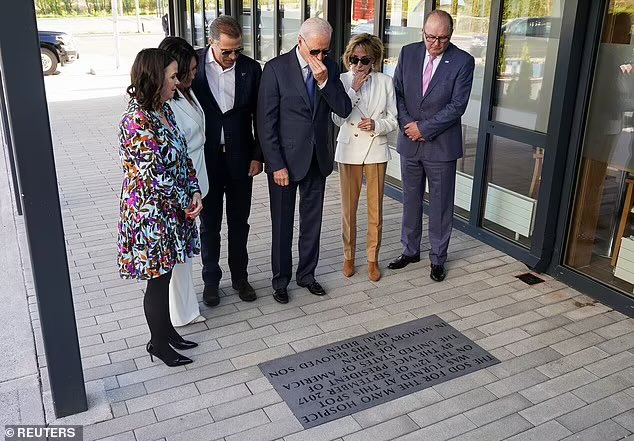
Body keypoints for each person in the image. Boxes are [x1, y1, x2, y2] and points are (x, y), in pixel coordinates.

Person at [117, 48, 203, 367]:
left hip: (172, 208)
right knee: (157, 278)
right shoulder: (137, 119)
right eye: (171, 77)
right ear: (154, 79)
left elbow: (182, 157)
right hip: (150, 214)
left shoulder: (162, 110)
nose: (177, 82)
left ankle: (167, 332)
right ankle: (158, 344)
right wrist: (186, 202)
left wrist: (194, 192)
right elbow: (156, 176)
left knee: (165, 275)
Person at [258, 18, 352, 304]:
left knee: (312, 222)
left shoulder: (330, 68)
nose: (321, 57)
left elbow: (344, 109)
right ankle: (280, 280)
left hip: (316, 159)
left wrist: (325, 81)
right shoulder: (275, 69)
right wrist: (276, 164)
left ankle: (307, 275)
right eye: (315, 52)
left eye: (325, 51)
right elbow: (265, 122)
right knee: (282, 224)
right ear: (300, 42)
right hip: (285, 161)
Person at [389, 10, 474, 282]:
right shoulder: (408, 52)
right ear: (422, 32)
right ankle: (410, 250)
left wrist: (424, 129)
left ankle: (438, 258)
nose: (435, 43)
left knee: (440, 205)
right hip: (409, 142)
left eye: (442, 38)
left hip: (441, 147)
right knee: (410, 201)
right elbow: (397, 92)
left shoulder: (463, 61)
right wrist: (408, 126)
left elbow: (457, 106)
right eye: (430, 37)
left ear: (451, 35)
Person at [191, 16, 263, 307]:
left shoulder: (250, 69)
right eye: (227, 52)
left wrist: (258, 156)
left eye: (238, 50)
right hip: (206, 161)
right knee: (209, 225)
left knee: (239, 223)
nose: (233, 57)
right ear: (211, 43)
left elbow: (260, 115)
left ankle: (240, 277)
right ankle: (211, 280)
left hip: (241, 160)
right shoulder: (192, 67)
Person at [332, 33, 398, 282]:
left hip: (376, 150)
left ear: (375, 60)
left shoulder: (385, 82)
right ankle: (348, 256)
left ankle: (372, 259)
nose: (358, 65)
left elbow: (394, 119)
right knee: (348, 210)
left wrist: (377, 124)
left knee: (375, 211)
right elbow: (337, 118)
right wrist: (353, 90)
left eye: (364, 59)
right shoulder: (341, 80)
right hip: (348, 150)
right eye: (353, 59)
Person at [159, 36, 208, 327]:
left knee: (187, 250)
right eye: (185, 71)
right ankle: (181, 313)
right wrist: (186, 192)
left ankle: (186, 307)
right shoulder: (167, 102)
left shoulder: (187, 93)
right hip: (182, 184)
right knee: (179, 254)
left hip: (196, 177)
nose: (192, 75)